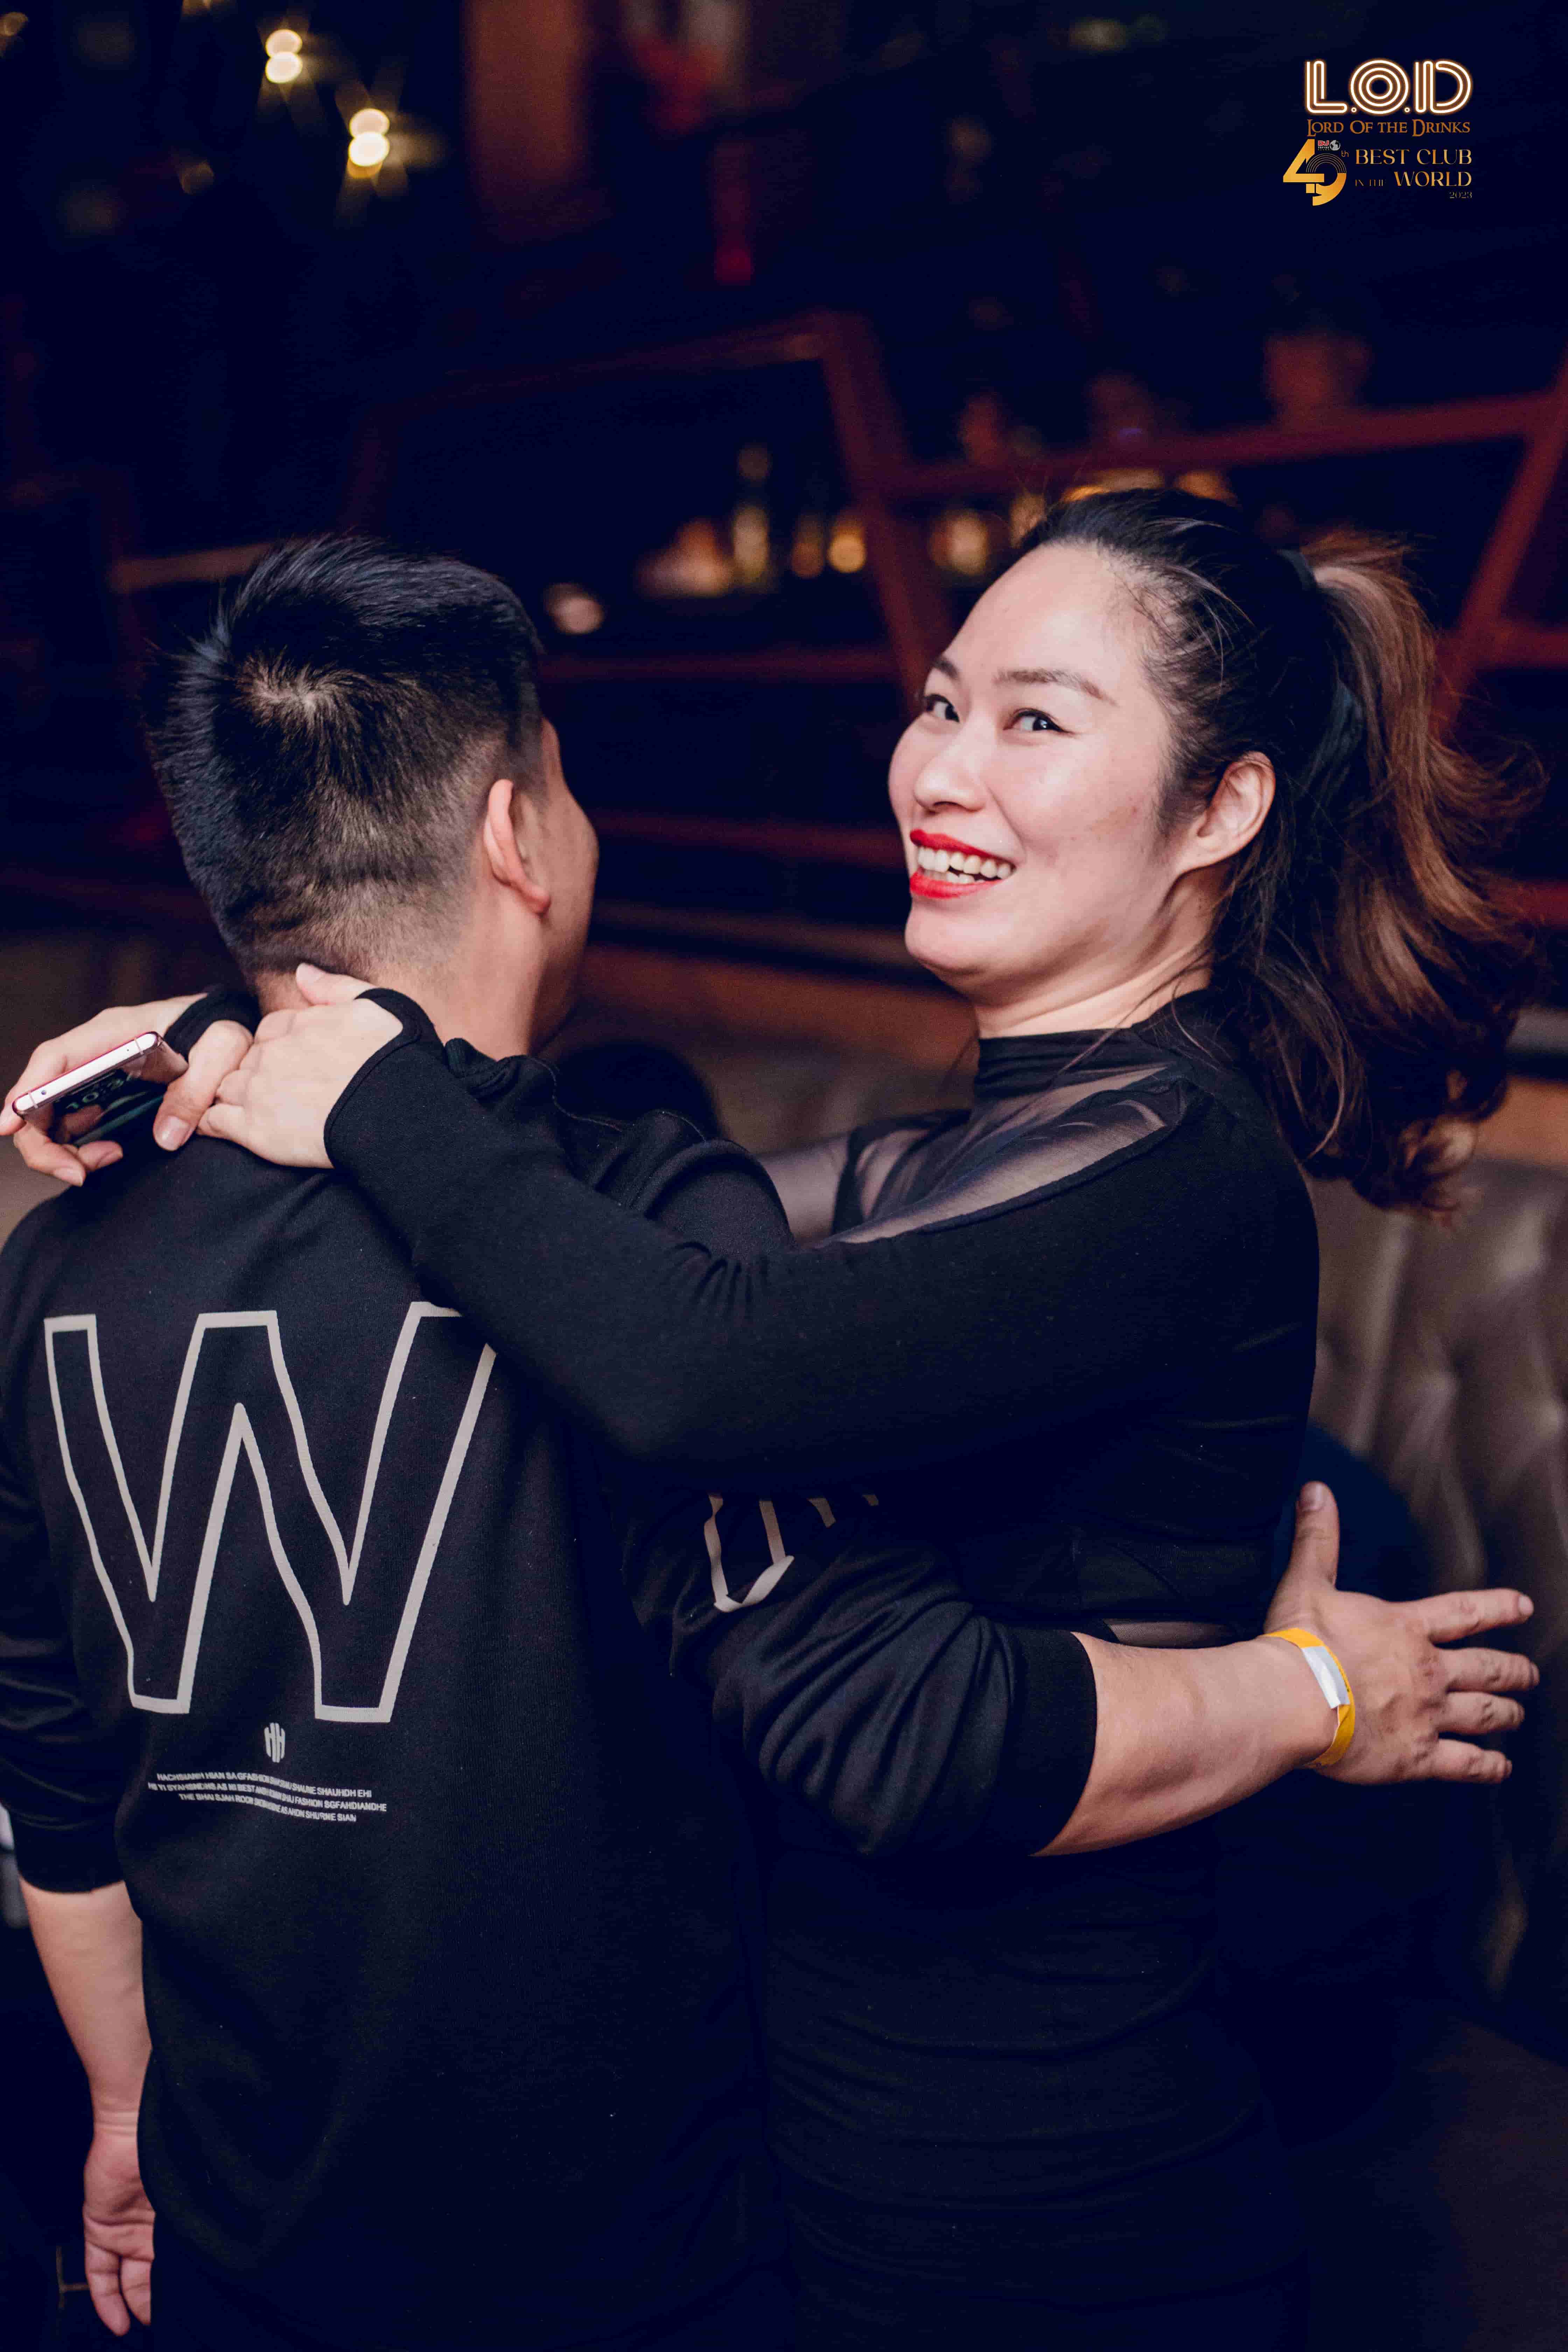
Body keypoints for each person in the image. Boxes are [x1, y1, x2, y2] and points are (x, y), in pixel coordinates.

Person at [5, 511, 1537, 2350]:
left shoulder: (1168, 1164)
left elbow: (695, 1365)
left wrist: (1316, 1695)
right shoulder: (995, 1151)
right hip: (851, 2162)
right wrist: (237, 1024)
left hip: (1041, 2191)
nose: (942, 769)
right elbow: (624, 1208)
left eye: (1037, 721)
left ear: (1222, 811)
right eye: (941, 702)